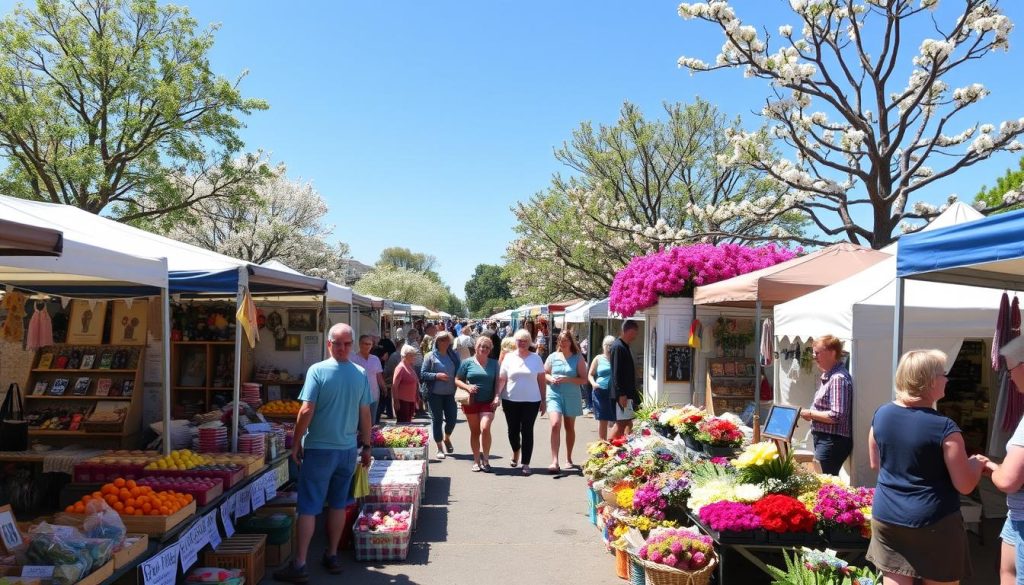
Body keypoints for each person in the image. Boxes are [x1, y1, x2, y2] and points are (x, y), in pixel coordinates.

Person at [867, 349, 990, 585]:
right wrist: (976, 464)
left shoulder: (881, 414)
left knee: (894, 579)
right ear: (930, 381)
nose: (947, 379)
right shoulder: (945, 427)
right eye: (943, 374)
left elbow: (876, 464)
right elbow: (964, 485)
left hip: (888, 515)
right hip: (934, 522)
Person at [273, 324, 372, 583]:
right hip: (347, 449)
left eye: (346, 344)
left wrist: (296, 443)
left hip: (319, 449)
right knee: (338, 503)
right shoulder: (360, 373)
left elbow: (306, 411)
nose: (342, 348)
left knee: (308, 507)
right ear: (329, 344)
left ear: (348, 345)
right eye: (339, 343)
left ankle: (301, 562)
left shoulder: (317, 370)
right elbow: (365, 414)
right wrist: (367, 446)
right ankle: (331, 554)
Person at [988, 337, 1024, 585]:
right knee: (1008, 574)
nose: (1009, 378)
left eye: (1010, 370)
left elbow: (1009, 480)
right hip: (1017, 516)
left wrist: (991, 469)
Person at [799, 335, 853, 475]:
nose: (814, 356)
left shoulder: (837, 378)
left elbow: (836, 415)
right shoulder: (830, 376)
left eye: (817, 352)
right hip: (826, 440)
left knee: (823, 483)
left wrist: (810, 414)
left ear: (833, 352)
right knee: (823, 482)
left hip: (832, 441)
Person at [496, 329, 546, 476]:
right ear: (515, 342)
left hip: (532, 400)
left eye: (525, 340)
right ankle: (516, 450)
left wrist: (544, 400)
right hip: (510, 399)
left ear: (529, 342)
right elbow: (502, 379)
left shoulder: (536, 358)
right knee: (512, 431)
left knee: (527, 430)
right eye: (519, 340)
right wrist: (497, 396)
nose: (522, 343)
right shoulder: (509, 357)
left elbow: (541, 380)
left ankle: (526, 463)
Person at [544, 331, 588, 473]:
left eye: (565, 341)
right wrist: (550, 379)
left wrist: (567, 379)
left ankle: (568, 458)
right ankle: (554, 461)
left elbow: (584, 379)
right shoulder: (552, 357)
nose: (562, 343)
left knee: (569, 426)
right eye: (560, 340)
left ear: (571, 342)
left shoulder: (578, 358)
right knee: (555, 424)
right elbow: (544, 373)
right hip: (554, 393)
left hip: (571, 395)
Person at [456, 335, 499, 472]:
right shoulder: (467, 362)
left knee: (485, 428)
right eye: (481, 346)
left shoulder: (494, 363)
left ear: (490, 349)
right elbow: (457, 379)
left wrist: (497, 397)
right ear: (476, 347)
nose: (484, 349)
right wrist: (468, 387)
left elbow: (497, 383)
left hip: (488, 402)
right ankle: (476, 460)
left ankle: (485, 459)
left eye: (487, 347)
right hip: (471, 402)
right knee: (475, 432)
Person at [420, 331, 460, 460]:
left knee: (452, 420)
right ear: (437, 341)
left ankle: (446, 438)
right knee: (437, 420)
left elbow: (460, 373)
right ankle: (439, 448)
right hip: (434, 395)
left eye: (447, 339)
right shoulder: (429, 356)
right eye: (442, 340)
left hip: (450, 394)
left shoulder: (453, 356)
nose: (445, 342)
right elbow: (423, 374)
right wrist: (436, 376)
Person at [610, 320, 640, 439]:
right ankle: (605, 450)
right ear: (630, 331)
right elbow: (616, 373)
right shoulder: (618, 346)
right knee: (621, 424)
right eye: (635, 332)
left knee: (628, 423)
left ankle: (622, 447)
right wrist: (621, 394)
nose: (636, 336)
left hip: (627, 393)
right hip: (622, 395)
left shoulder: (624, 346)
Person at [351, 334, 386, 425]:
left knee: (372, 422)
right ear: (359, 344)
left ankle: (369, 439)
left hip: (374, 395)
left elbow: (379, 376)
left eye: (369, 344)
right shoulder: (353, 359)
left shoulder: (375, 359)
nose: (367, 346)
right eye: (365, 344)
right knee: (359, 423)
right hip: (359, 396)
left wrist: (384, 388)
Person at [589, 335, 617, 440]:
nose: (609, 347)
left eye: (611, 345)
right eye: (607, 345)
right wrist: (593, 384)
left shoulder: (616, 358)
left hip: (614, 392)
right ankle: (602, 443)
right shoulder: (598, 358)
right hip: (600, 391)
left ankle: (612, 442)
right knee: (603, 419)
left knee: (615, 419)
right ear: (603, 346)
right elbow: (590, 374)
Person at [392, 345, 420, 423]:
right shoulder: (400, 367)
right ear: (405, 355)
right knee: (403, 424)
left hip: (411, 400)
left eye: (414, 354)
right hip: (402, 401)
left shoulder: (409, 366)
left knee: (408, 424)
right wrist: (396, 401)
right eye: (411, 355)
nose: (414, 357)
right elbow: (395, 386)